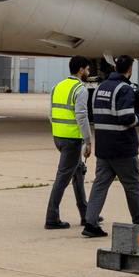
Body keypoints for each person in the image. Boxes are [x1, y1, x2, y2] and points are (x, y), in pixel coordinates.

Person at [80, 55, 139, 238]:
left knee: (100, 185)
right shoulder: (124, 89)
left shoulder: (101, 87)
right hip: (122, 148)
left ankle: (90, 223)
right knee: (132, 186)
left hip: (104, 147)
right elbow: (126, 117)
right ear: (129, 70)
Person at [43, 56, 93, 229]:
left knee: (77, 173)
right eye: (87, 69)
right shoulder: (80, 89)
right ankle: (51, 218)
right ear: (81, 70)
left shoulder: (57, 86)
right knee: (62, 179)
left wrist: (59, 130)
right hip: (72, 140)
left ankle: (86, 214)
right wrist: (88, 141)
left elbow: (50, 113)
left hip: (58, 137)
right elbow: (81, 116)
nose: (89, 72)